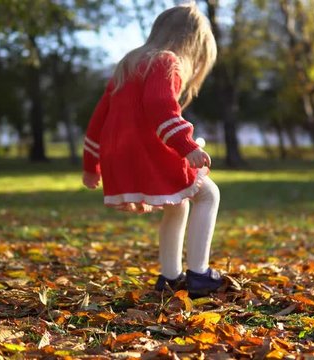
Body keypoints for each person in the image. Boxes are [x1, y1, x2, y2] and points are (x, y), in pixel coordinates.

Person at [82, 3, 222, 297]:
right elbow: (159, 106)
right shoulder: (166, 62)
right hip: (150, 151)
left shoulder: (130, 63)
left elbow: (99, 118)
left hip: (123, 154)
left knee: (178, 204)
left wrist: (91, 164)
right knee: (209, 195)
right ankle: (199, 274)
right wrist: (186, 147)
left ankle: (170, 278)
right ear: (191, 43)